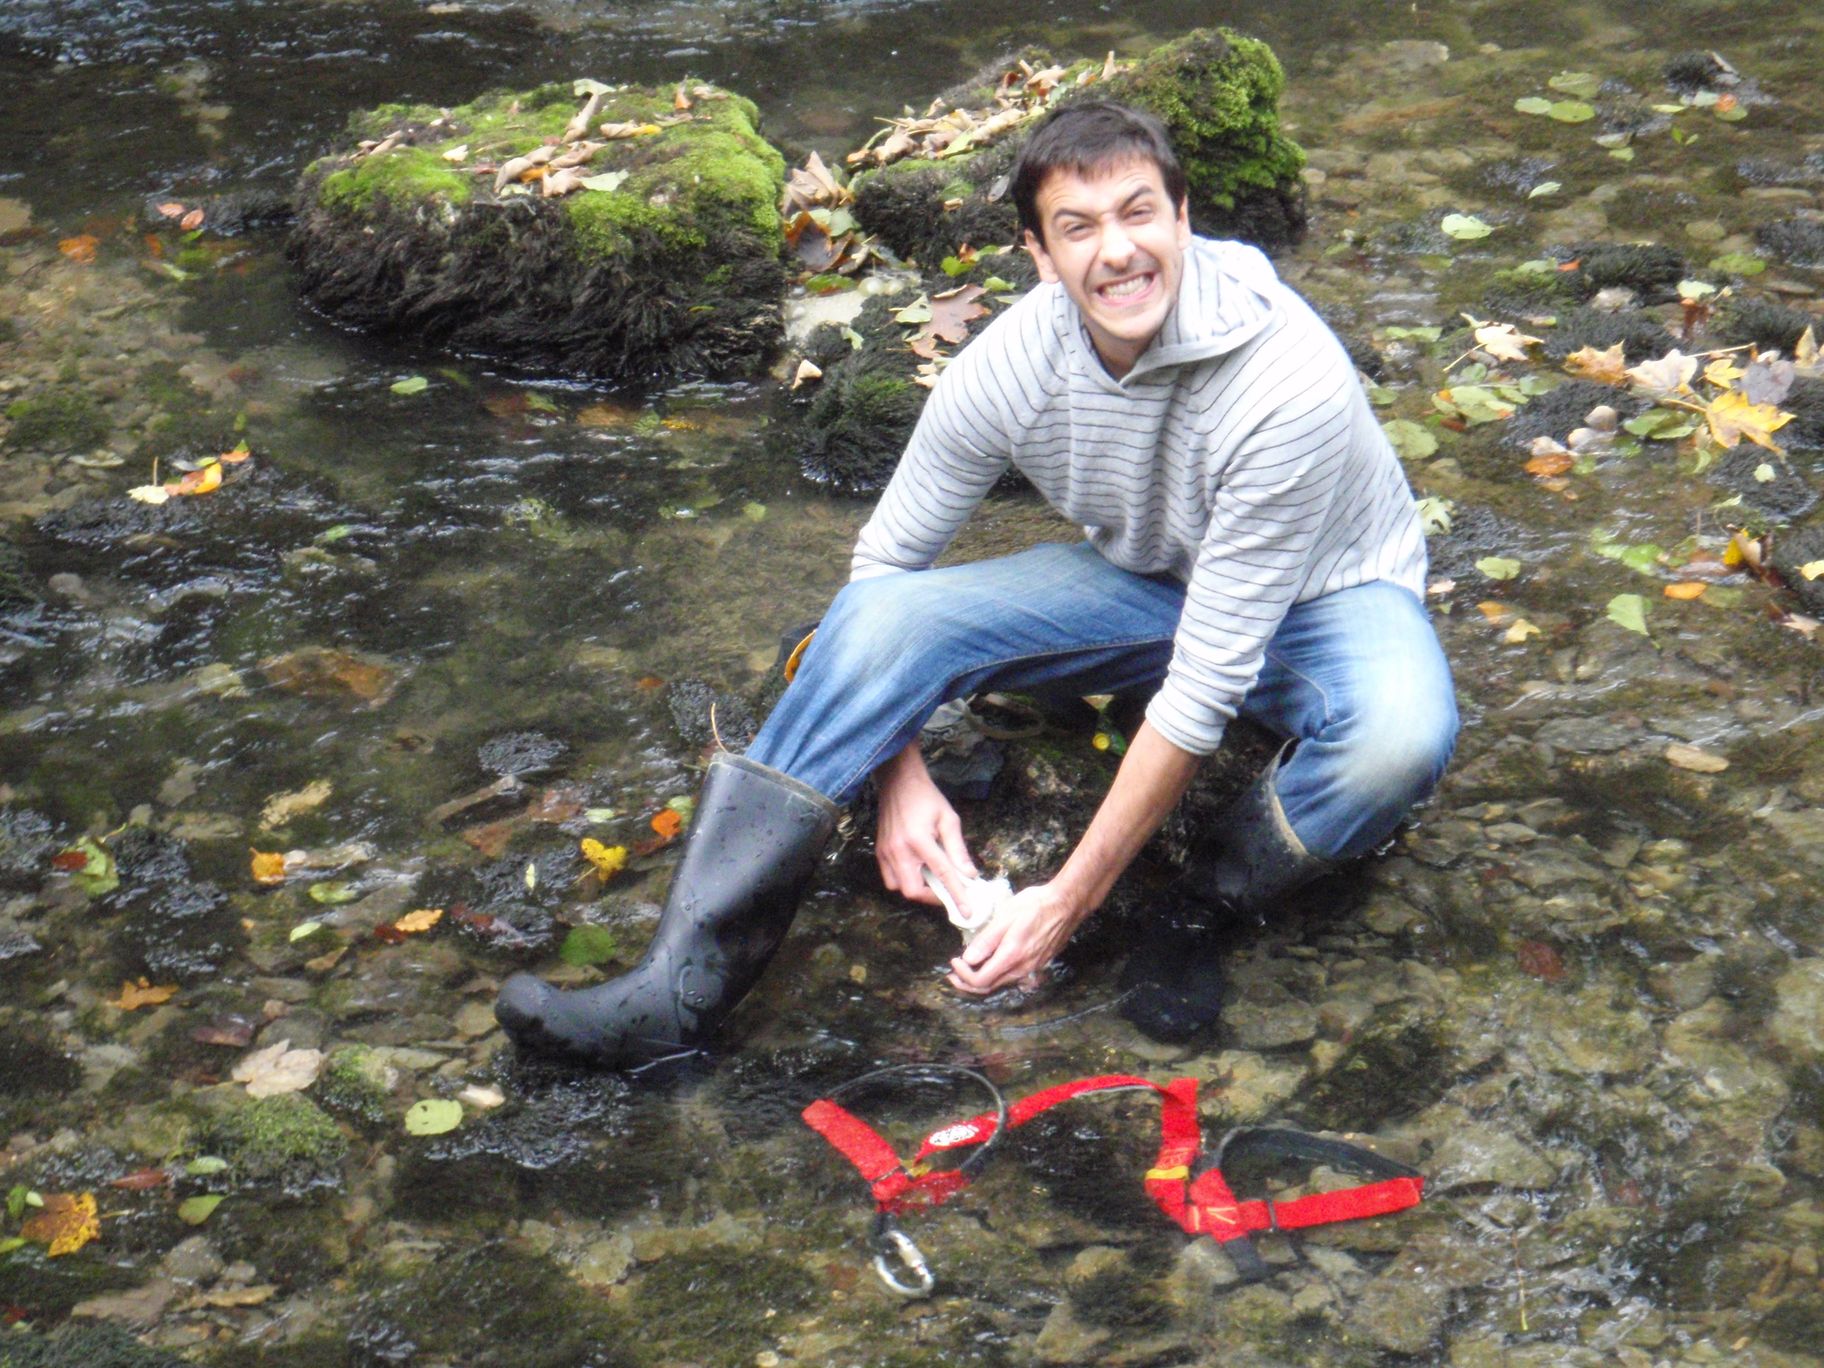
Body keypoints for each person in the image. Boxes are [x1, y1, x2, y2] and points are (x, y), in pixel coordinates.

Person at [495, 100, 1458, 1066]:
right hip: (1150, 582)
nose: (1117, 251)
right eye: (1078, 227)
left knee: (1398, 740)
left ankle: (1194, 909)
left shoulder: (1286, 381)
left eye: (1138, 213)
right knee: (880, 626)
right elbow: (883, 571)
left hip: (1326, 601)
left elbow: (1208, 683)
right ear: (1038, 254)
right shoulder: (1010, 368)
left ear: (1182, 216)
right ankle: (675, 997)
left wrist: (1068, 903)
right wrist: (898, 772)